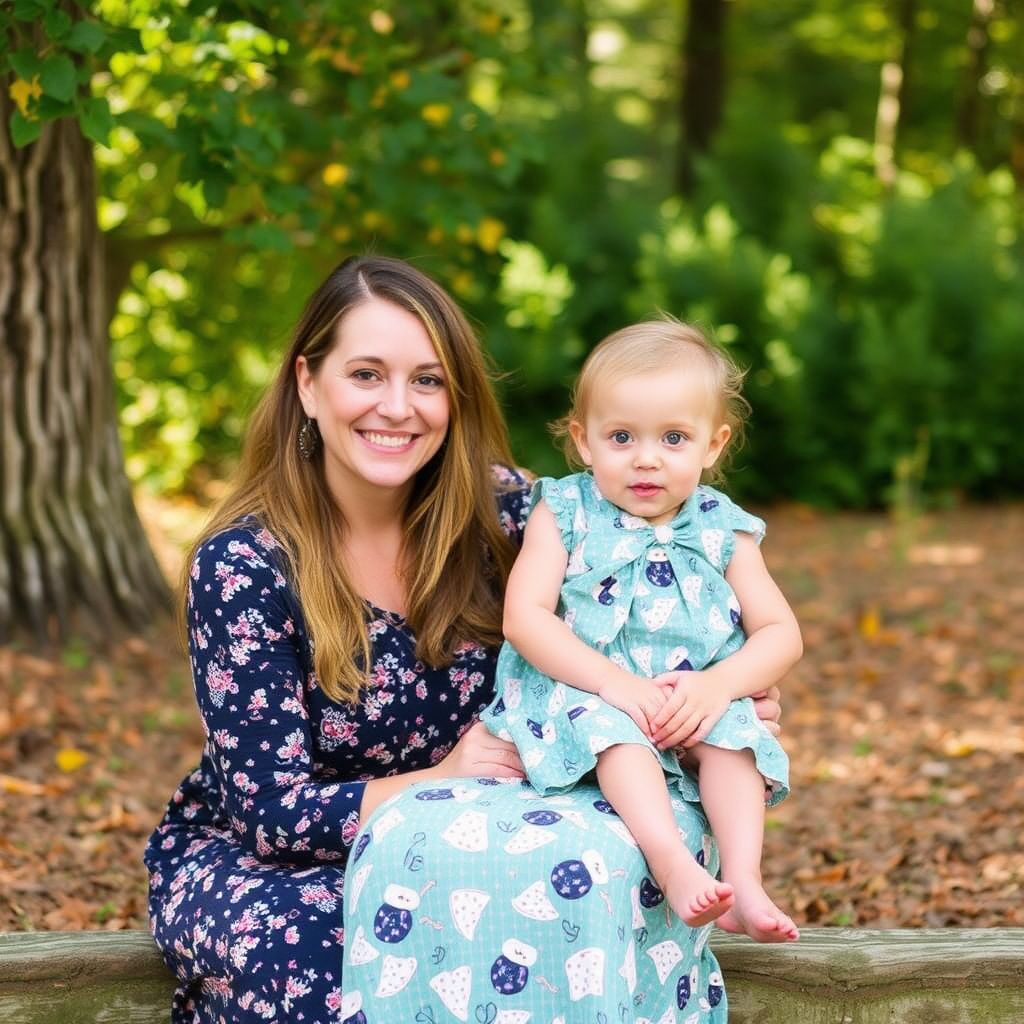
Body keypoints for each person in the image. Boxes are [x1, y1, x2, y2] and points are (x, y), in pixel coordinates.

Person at [145, 255, 783, 1024]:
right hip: (284, 864)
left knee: (568, 896)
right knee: (339, 957)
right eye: (367, 374)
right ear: (308, 384)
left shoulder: (507, 517)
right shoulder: (245, 566)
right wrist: (441, 776)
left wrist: (704, 698)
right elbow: (272, 816)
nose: (397, 407)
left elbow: (643, 634)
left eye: (426, 380)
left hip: (484, 839)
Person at [480, 318, 802, 948]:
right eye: (622, 436)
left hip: (691, 696)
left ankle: (743, 880)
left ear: (713, 444)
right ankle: (671, 861)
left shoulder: (722, 527)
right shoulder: (563, 510)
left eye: (674, 437)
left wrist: (718, 687)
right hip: (589, 691)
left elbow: (781, 632)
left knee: (735, 735)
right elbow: (525, 615)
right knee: (615, 732)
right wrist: (614, 684)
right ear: (584, 441)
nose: (646, 457)